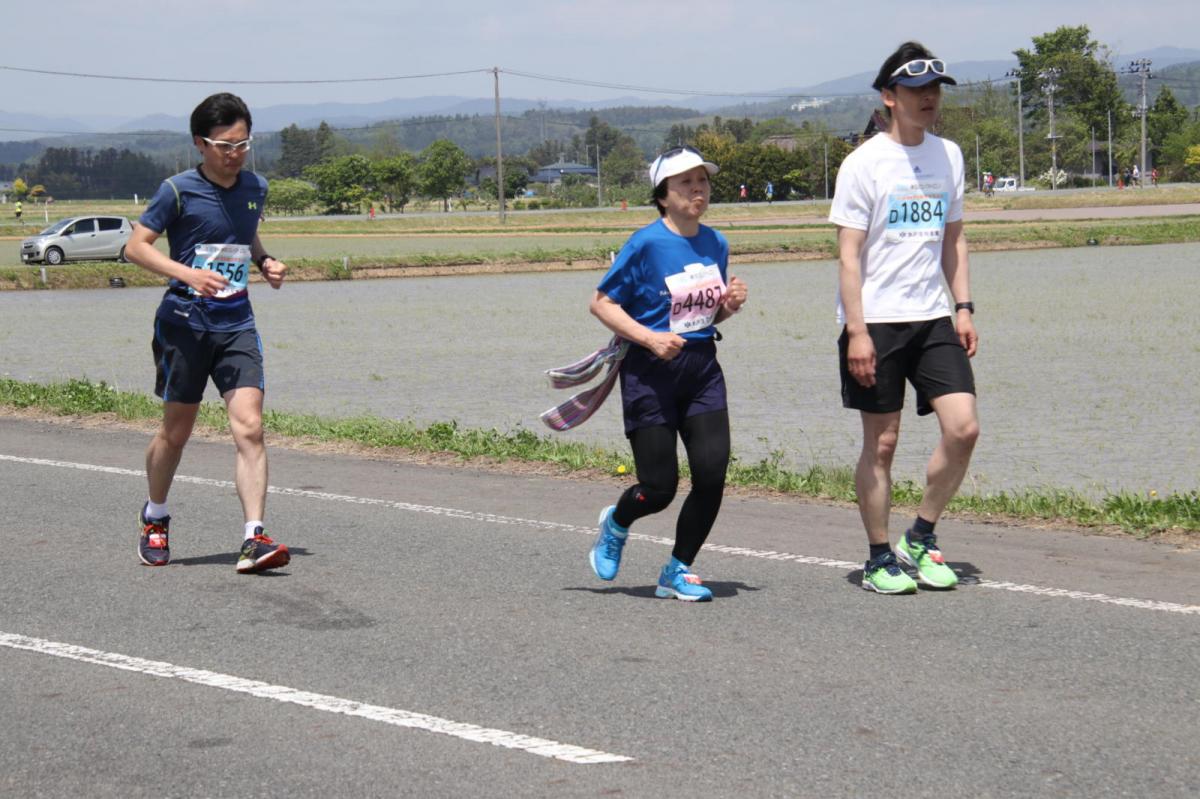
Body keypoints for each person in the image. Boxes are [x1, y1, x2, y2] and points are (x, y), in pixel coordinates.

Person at [828, 42, 980, 594]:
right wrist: (857, 331)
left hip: (934, 317)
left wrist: (963, 307)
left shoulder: (949, 155)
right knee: (883, 443)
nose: (929, 98)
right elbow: (849, 255)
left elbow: (954, 241)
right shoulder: (863, 163)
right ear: (889, 97)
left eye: (935, 90)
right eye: (917, 90)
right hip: (878, 322)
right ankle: (876, 558)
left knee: (964, 427)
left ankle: (919, 536)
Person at [125, 92, 291, 574]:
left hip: (237, 322)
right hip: (185, 325)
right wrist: (188, 274)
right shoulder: (176, 190)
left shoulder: (256, 186)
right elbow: (136, 248)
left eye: (243, 144)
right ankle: (155, 516)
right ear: (201, 143)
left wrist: (266, 261)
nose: (235, 153)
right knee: (176, 433)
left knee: (251, 427)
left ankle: (254, 538)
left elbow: (246, 234)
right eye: (225, 145)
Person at [588, 146, 748, 602]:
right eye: (685, 183)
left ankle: (677, 570)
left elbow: (702, 318)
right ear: (662, 195)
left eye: (702, 182)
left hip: (701, 371)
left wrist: (728, 308)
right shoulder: (644, 244)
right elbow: (601, 303)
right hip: (650, 372)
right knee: (659, 489)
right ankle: (616, 523)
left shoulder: (716, 243)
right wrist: (649, 339)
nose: (697, 190)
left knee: (712, 475)